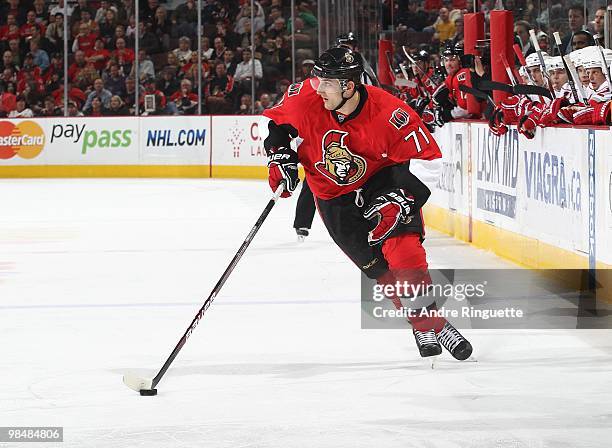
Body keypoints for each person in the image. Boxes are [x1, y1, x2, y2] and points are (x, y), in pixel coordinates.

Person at [262, 46, 473, 360]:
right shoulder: (306, 96)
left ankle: (427, 322)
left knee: (406, 254)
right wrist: (279, 155)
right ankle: (431, 323)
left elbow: (430, 162)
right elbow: (277, 126)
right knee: (383, 274)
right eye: (317, 79)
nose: (318, 87)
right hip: (332, 198)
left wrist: (402, 198)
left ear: (349, 86)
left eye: (328, 83)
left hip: (381, 184)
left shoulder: (389, 112)